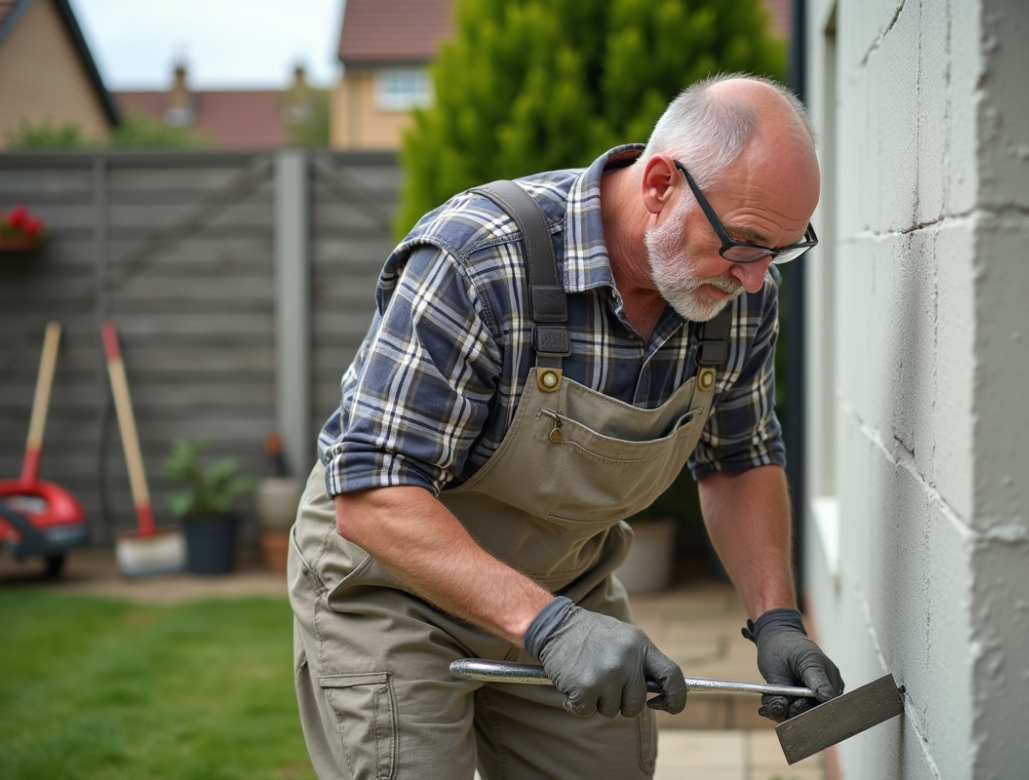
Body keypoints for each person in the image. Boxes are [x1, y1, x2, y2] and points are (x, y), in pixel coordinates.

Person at [288, 73, 844, 780]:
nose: (759, 279)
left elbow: (739, 456)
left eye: (782, 251)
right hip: (391, 591)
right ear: (660, 185)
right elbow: (370, 491)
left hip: (563, 586)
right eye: (745, 244)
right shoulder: (479, 258)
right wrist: (546, 626)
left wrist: (778, 621)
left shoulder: (737, 295)